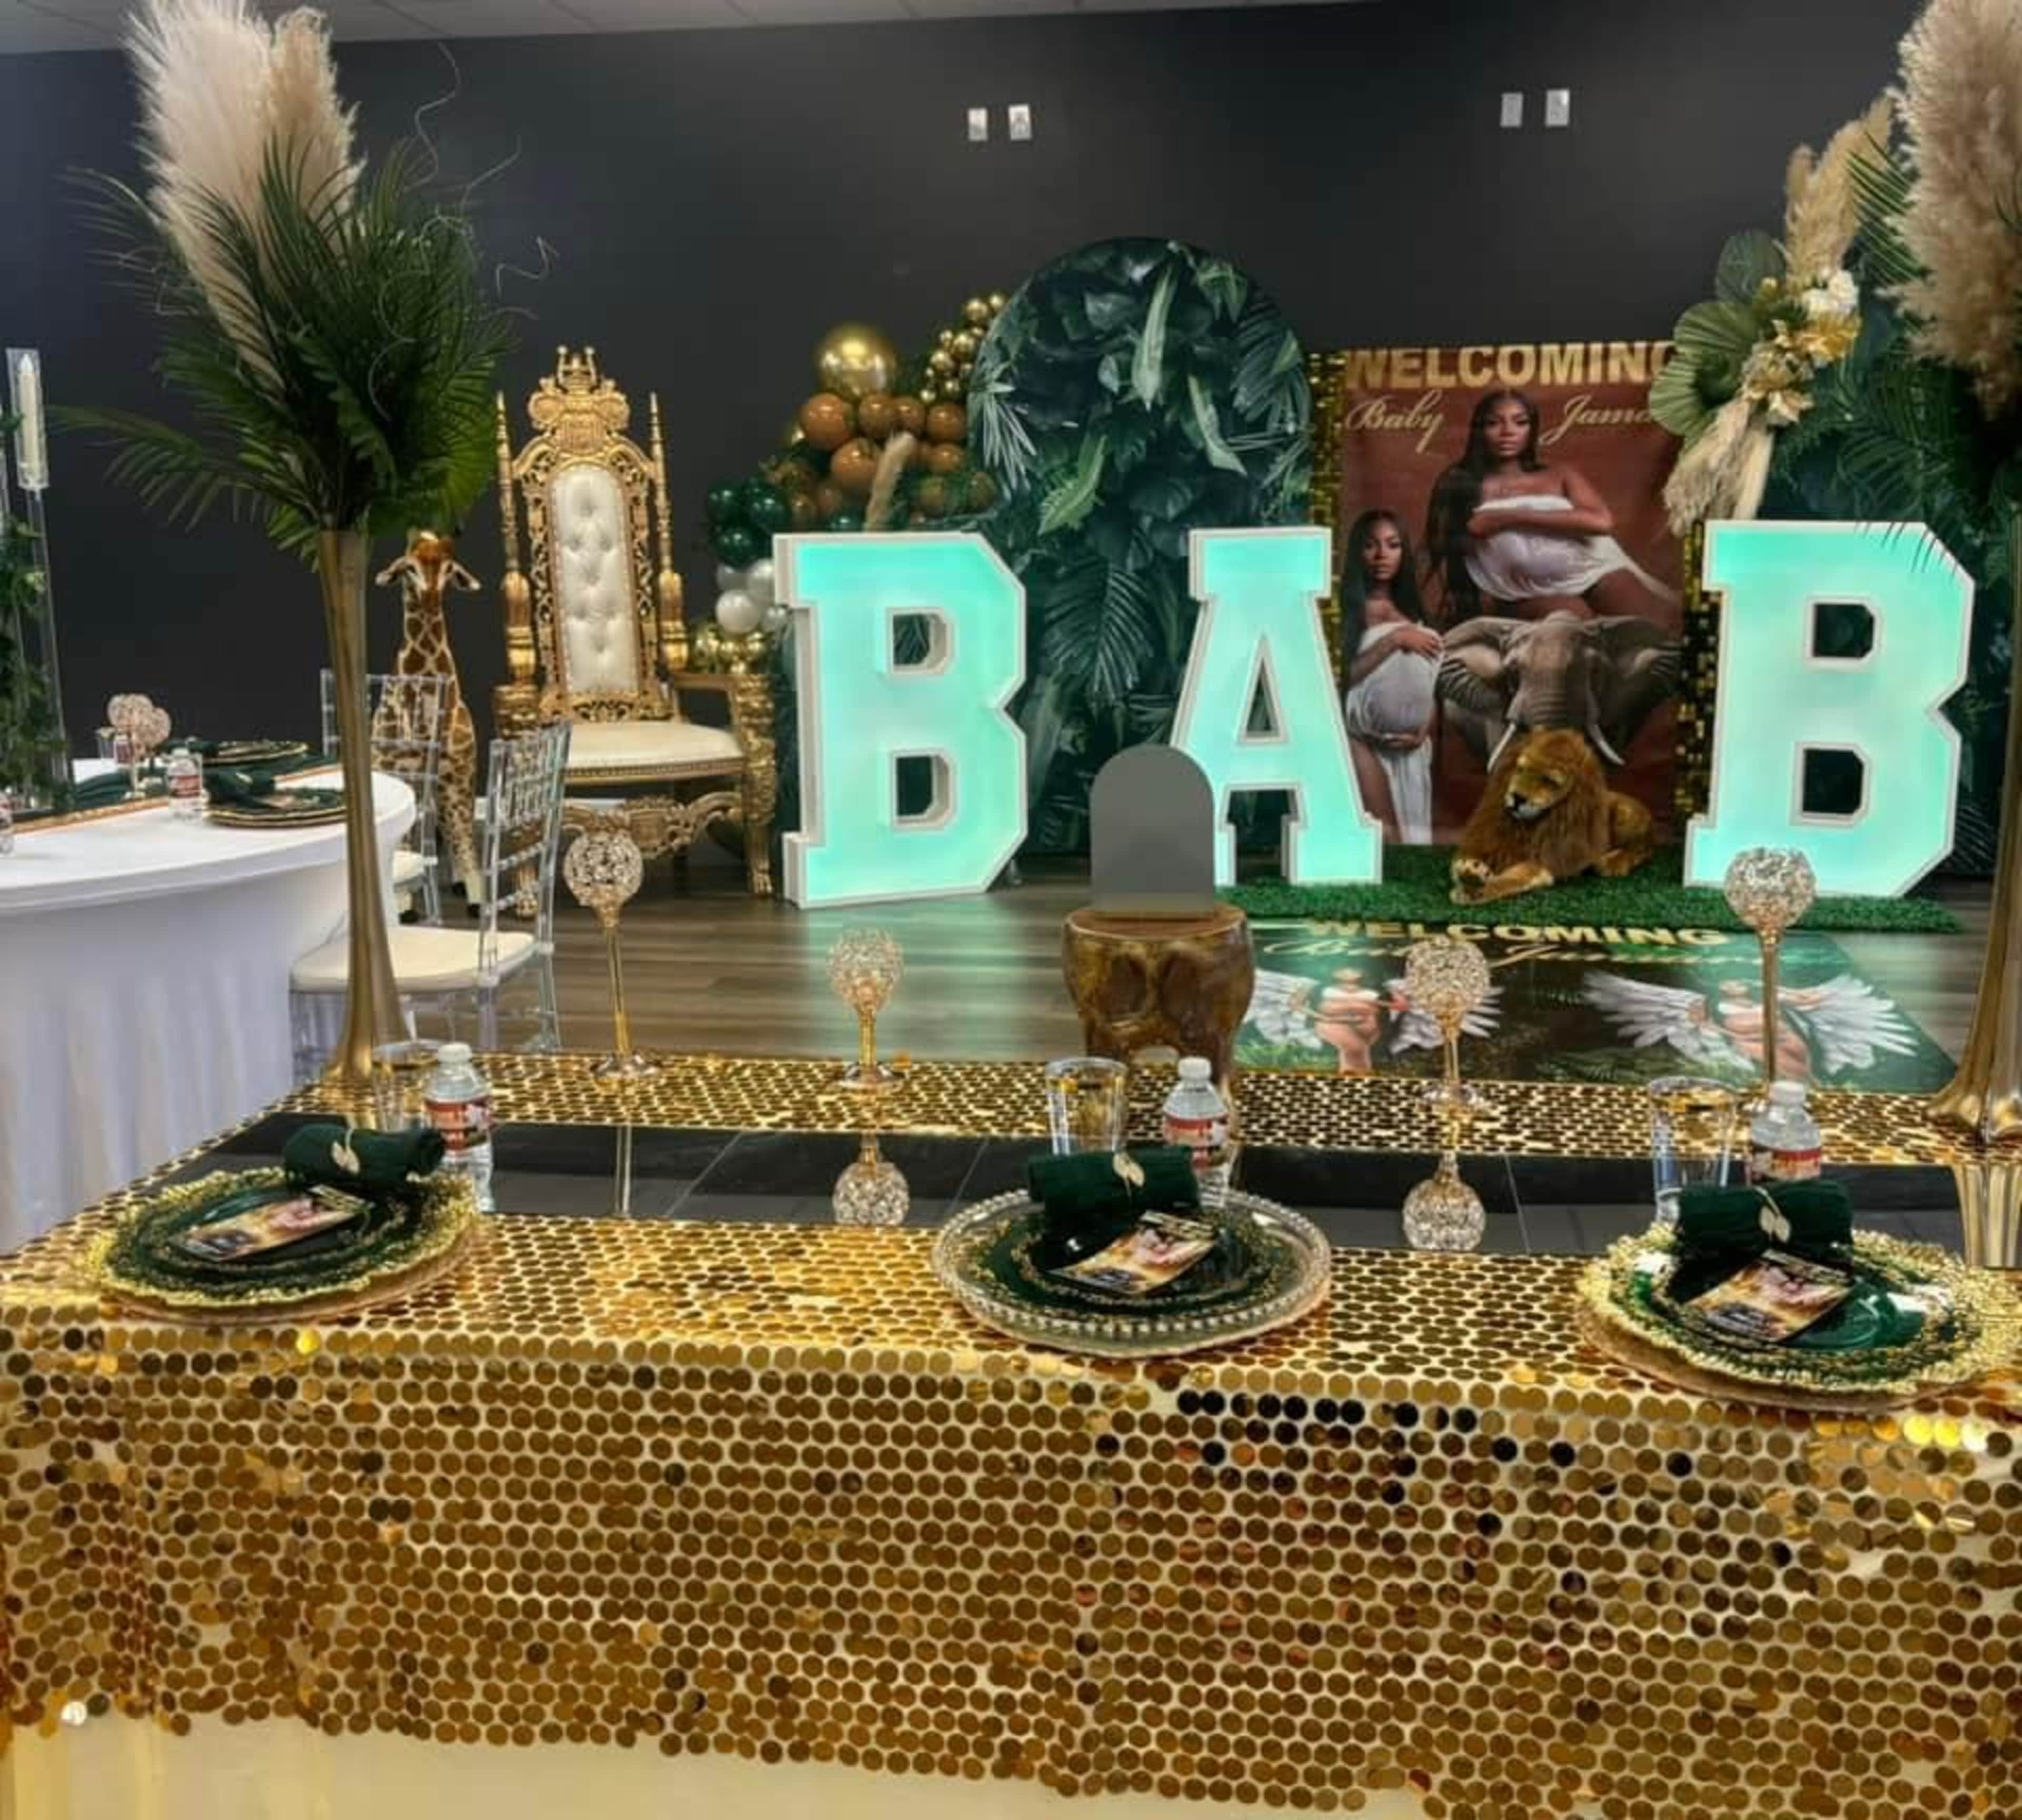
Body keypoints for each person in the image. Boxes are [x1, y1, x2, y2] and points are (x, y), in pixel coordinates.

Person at [1423, 389, 1681, 624]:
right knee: (1571, 625)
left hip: (1596, 569)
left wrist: (1505, 518)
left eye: (1520, 422)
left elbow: (1600, 522)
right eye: (1494, 423)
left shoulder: (1559, 474)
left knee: (1653, 628)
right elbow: (1453, 554)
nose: (1508, 431)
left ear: (1532, 429)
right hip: (1527, 592)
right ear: (1479, 429)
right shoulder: (1462, 483)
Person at [1337, 509, 1439, 843]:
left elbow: (1430, 683)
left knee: (1413, 849)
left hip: (1413, 752)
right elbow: (1339, 678)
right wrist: (1394, 640)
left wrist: (1424, 729)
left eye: (1392, 545)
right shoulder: (1347, 611)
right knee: (1383, 845)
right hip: (1365, 746)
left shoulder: (1413, 611)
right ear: (1357, 553)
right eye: (1370, 546)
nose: (1382, 555)